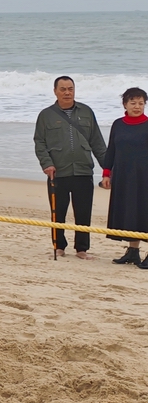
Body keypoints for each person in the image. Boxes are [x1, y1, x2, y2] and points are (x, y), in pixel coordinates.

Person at [33, 76, 107, 259]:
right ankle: (59, 247)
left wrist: (108, 168)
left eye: (70, 89)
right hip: (57, 172)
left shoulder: (86, 111)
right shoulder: (46, 115)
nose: (67, 92)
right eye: (63, 89)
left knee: (83, 212)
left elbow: (97, 142)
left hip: (83, 170)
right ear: (55, 91)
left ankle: (82, 249)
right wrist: (46, 163)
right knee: (58, 213)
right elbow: (39, 142)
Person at [100, 87, 148, 268]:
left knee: (144, 211)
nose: (137, 106)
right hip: (123, 175)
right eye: (133, 103)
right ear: (125, 104)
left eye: (141, 103)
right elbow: (111, 149)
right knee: (129, 212)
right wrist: (106, 173)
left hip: (144, 177)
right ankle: (133, 251)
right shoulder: (118, 124)